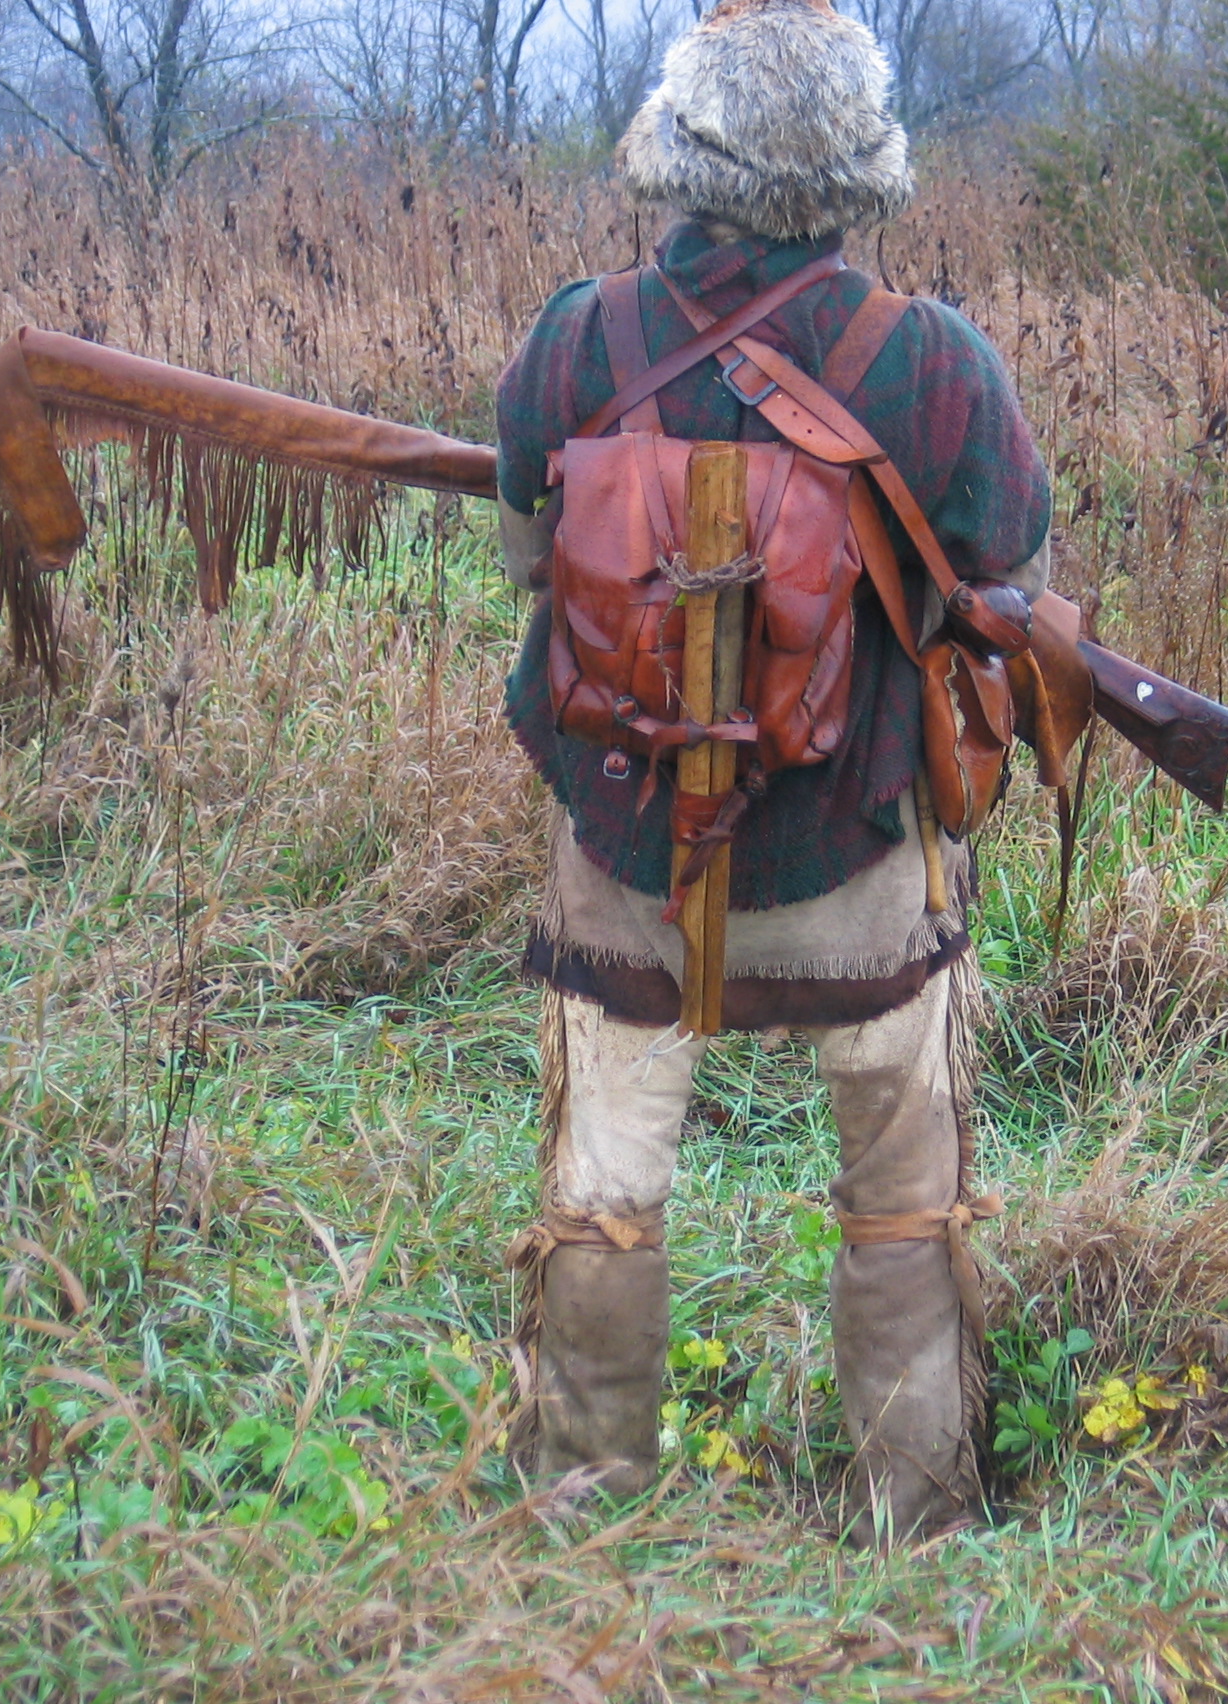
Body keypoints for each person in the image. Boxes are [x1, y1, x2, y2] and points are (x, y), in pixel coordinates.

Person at [492, 0, 1051, 1545]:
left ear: (680, 151)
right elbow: (1011, 569)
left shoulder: (575, 339)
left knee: (604, 1186)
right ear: (862, 169)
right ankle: (909, 1511)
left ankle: (581, 1514)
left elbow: (528, 556)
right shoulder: (930, 363)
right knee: (903, 1187)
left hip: (625, 871)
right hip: (858, 882)